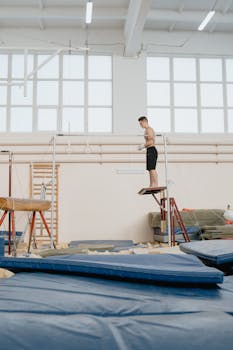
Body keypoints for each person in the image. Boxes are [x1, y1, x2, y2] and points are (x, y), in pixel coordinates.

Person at [138, 116, 158, 188]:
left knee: (152, 168)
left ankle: (155, 184)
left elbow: (151, 141)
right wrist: (144, 146)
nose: (140, 125)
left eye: (141, 124)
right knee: (150, 169)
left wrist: (143, 145)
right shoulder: (146, 130)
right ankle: (151, 184)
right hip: (149, 149)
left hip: (151, 149)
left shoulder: (149, 130)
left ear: (144, 121)